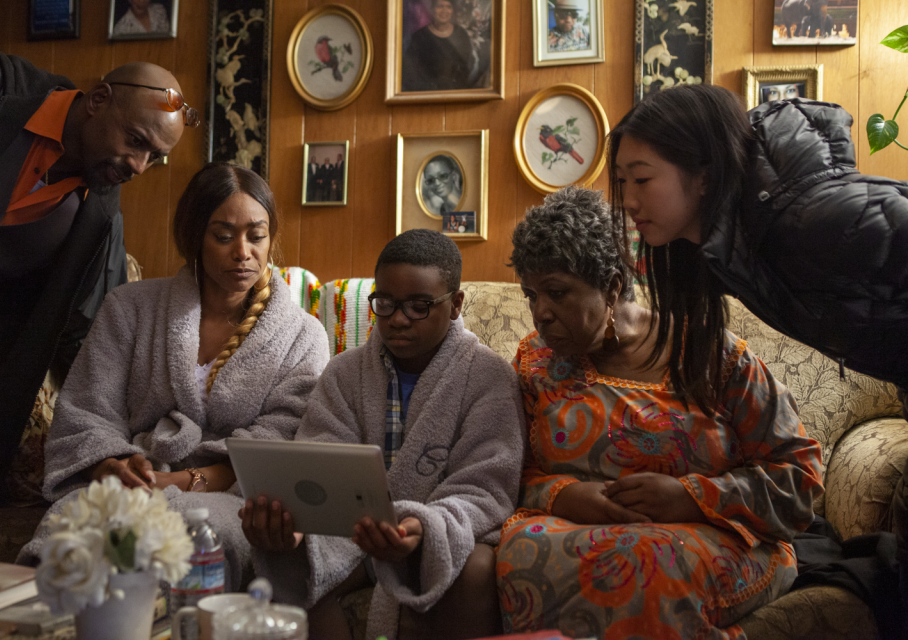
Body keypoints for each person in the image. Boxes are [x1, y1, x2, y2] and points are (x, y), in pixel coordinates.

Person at [608, 83, 908, 636]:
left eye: (642, 179)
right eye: (622, 182)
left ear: (702, 175)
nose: (627, 200)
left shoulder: (814, 222)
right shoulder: (730, 249)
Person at [496, 186, 824, 637]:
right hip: (566, 527)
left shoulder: (712, 358)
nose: (541, 314)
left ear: (612, 287)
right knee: (509, 557)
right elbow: (508, 470)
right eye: (531, 295)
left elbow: (799, 478)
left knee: (645, 567)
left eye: (556, 292)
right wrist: (565, 496)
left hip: (708, 534)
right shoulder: (535, 363)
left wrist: (690, 496)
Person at [16, 163, 330, 589]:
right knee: (72, 538)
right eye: (223, 236)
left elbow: (279, 441)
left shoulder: (302, 336)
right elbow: (89, 409)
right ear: (193, 238)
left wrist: (182, 482)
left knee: (190, 538)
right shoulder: (128, 307)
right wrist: (113, 467)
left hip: (229, 496)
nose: (243, 252)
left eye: (256, 236)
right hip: (130, 482)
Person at [241, 229, 525, 639]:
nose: (398, 318)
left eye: (419, 306)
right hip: (352, 535)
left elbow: (486, 487)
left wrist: (423, 527)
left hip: (434, 534)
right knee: (291, 568)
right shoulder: (344, 373)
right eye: (386, 303)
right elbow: (319, 462)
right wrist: (293, 522)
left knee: (477, 567)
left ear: (456, 304)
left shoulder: (489, 377)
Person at [0, 50, 194, 520]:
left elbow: (88, 339)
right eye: (136, 141)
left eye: (155, 158)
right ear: (98, 100)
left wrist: (128, 436)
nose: (139, 166)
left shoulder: (99, 219)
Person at [401, 0, 473, 92]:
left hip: (456, 94)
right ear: (432, 9)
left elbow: (467, 67)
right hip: (426, 94)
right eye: (439, 6)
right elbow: (410, 71)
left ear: (452, 10)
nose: (444, 10)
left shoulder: (461, 34)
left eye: (448, 6)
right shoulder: (419, 37)